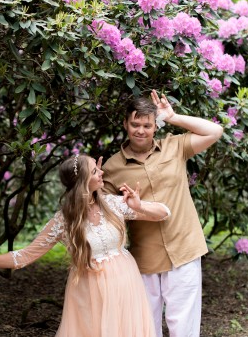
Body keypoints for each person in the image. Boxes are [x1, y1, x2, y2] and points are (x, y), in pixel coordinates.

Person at [0, 154, 171, 337]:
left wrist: (139, 206)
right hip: (89, 289)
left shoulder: (113, 204)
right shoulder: (63, 221)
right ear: (83, 181)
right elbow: (24, 256)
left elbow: (164, 213)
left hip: (125, 280)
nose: (101, 172)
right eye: (95, 171)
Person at [101, 90, 223, 337]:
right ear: (125, 124)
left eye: (147, 125)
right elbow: (102, 210)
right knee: (146, 328)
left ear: (156, 126)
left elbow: (215, 131)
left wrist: (173, 117)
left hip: (184, 248)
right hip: (144, 257)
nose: (140, 131)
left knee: (184, 328)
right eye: (135, 124)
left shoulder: (174, 146)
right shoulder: (112, 167)